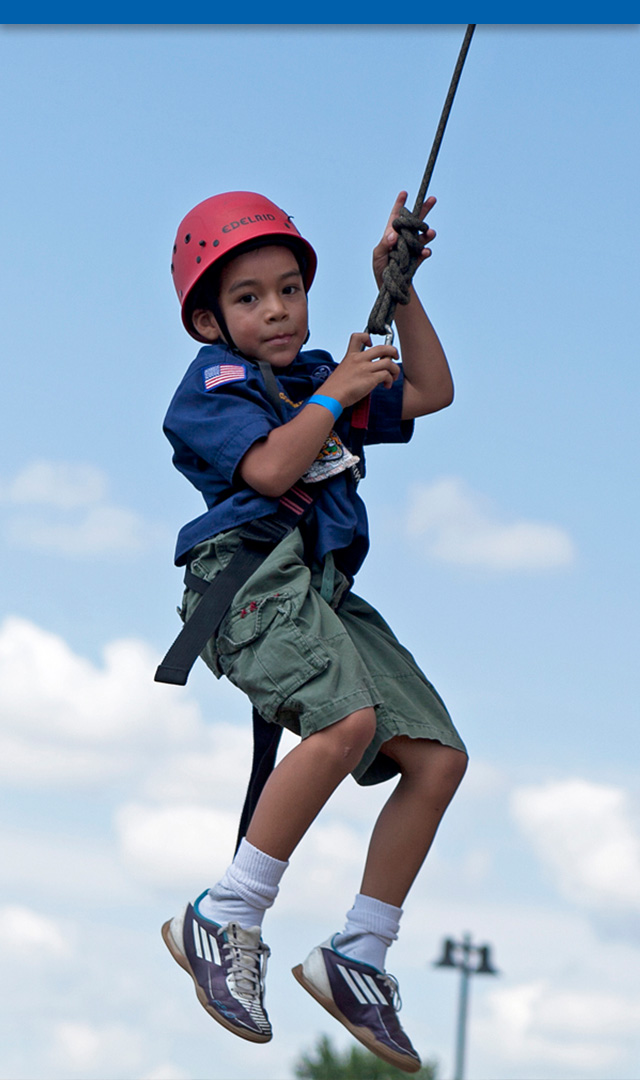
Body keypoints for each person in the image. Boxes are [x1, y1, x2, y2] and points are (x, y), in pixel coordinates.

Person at [160, 189, 467, 1075]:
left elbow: (432, 392)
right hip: (246, 579)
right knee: (346, 722)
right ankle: (225, 912)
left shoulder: (318, 374)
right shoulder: (216, 385)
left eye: (289, 289)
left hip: (322, 591)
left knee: (439, 757)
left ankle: (360, 950)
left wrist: (397, 289)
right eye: (249, 297)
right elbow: (267, 468)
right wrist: (332, 397)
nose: (277, 310)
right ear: (209, 321)